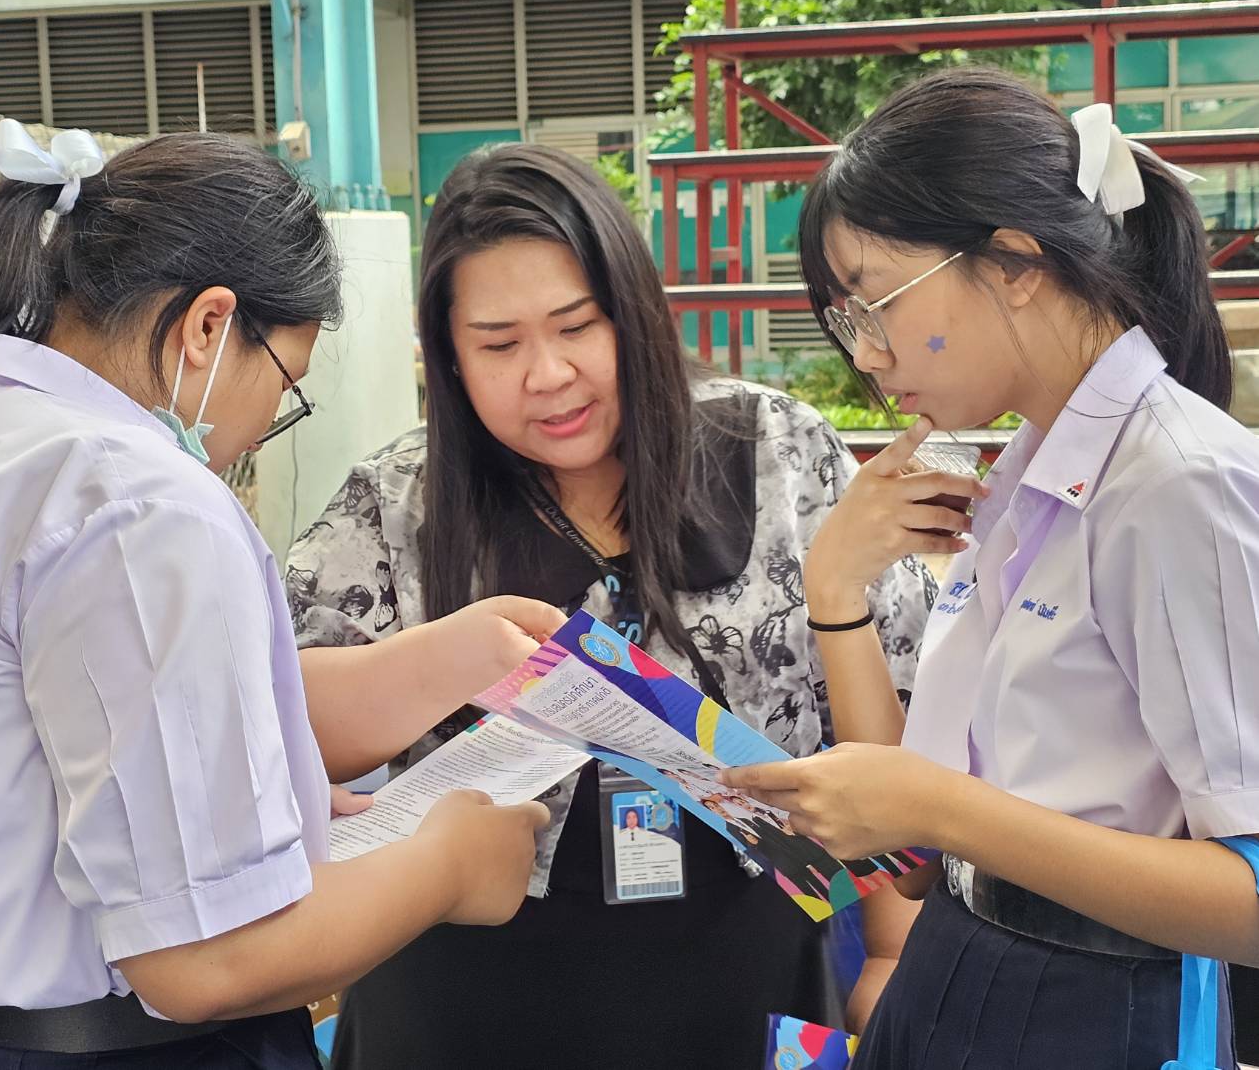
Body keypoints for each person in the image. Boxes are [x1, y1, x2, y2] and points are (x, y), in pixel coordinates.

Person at [0, 121, 559, 1069]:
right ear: (208, 327)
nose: (267, 421)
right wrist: (448, 863)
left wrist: (416, 680)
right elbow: (206, 963)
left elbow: (65, 739)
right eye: (287, 381)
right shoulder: (134, 497)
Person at [285, 143, 932, 1069]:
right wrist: (435, 664)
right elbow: (280, 722)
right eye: (499, 345)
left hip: (742, 960)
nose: (547, 375)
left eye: (577, 326)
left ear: (634, 312)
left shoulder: (783, 453)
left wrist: (889, 949)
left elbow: (895, 711)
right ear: (448, 359)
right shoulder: (400, 499)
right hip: (466, 978)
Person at [721, 68, 1259, 1067]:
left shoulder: (1175, 484)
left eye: (874, 302)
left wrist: (940, 810)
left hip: (1098, 1006)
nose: (867, 355)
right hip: (962, 962)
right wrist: (835, 590)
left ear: (1013, 262)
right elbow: (910, 854)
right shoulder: (1023, 474)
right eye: (847, 319)